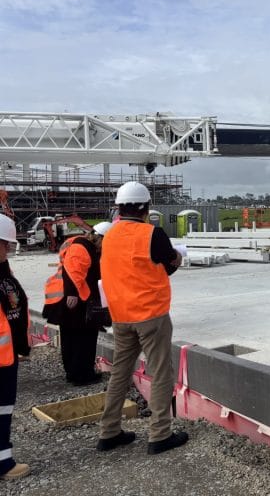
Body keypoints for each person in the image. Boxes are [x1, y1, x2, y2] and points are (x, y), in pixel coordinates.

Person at [97, 181, 187, 454]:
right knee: (160, 372)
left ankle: (109, 432)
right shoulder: (152, 234)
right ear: (146, 207)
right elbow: (169, 261)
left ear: (119, 207)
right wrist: (177, 260)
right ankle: (160, 434)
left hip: (121, 316)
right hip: (150, 315)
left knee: (120, 373)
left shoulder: (109, 235)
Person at [43, 221, 112, 386]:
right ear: (101, 238)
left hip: (70, 299)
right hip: (75, 299)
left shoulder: (82, 244)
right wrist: (72, 294)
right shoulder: (82, 246)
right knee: (84, 337)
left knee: (71, 337)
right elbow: (72, 270)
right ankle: (83, 375)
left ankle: (74, 373)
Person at [0, 214, 31, 480]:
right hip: (0, 358)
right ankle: (2, 464)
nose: (8, 248)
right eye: (5, 244)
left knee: (4, 408)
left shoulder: (3, 269)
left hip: (7, 355)